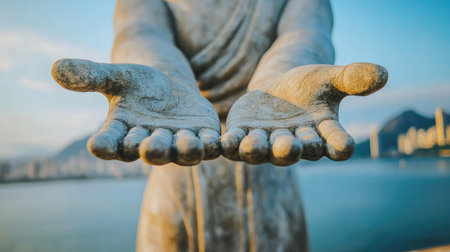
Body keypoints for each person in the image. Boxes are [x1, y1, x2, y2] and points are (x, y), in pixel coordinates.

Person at [51, 0, 388, 251]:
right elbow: (139, 32)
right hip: (175, 142)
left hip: (272, 138)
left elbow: (306, 33)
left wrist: (285, 74)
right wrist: (162, 74)